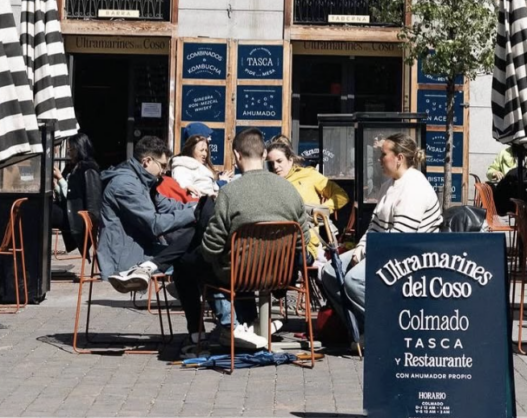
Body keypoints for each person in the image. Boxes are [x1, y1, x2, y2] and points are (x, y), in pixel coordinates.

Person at [171, 127, 311, 351]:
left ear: (237, 155)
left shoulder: (229, 193)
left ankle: (227, 327)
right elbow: (303, 239)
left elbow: (213, 245)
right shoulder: (289, 190)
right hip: (280, 273)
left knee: (188, 264)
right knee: (232, 259)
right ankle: (249, 323)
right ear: (264, 154)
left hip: (239, 271)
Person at [320, 134, 442, 334]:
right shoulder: (389, 185)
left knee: (354, 280)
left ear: (399, 158)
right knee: (330, 272)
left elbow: (400, 239)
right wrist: (360, 248)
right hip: (385, 247)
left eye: (383, 154)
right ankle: (359, 329)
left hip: (410, 256)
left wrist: (367, 255)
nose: (379, 159)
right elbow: (375, 225)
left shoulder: (415, 187)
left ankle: (389, 329)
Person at [97, 135, 198, 294]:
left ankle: (190, 297)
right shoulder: (125, 185)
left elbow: (166, 205)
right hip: (126, 257)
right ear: (147, 161)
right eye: (163, 166)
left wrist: (198, 205)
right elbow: (155, 224)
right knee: (193, 255)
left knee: (192, 248)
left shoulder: (142, 181)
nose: (164, 172)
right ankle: (220, 313)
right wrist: (193, 212)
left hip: (142, 246)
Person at [266, 137, 349, 253]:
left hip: (304, 244)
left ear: (290, 159)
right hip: (274, 242)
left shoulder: (308, 175)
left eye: (279, 161)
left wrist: (319, 211)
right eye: (271, 164)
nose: (275, 167)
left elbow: (341, 196)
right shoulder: (267, 182)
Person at [51, 132, 102, 255]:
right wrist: (56, 187)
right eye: (69, 150)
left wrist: (60, 179)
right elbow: (68, 194)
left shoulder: (87, 168)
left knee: (43, 211)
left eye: (72, 150)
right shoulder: (73, 167)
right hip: (70, 212)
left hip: (75, 216)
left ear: (80, 149)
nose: (69, 153)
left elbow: (75, 195)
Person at [171, 133, 220, 198]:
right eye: (201, 150)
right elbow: (182, 188)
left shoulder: (204, 168)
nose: (204, 154)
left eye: (206, 151)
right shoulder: (182, 167)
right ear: (191, 150)